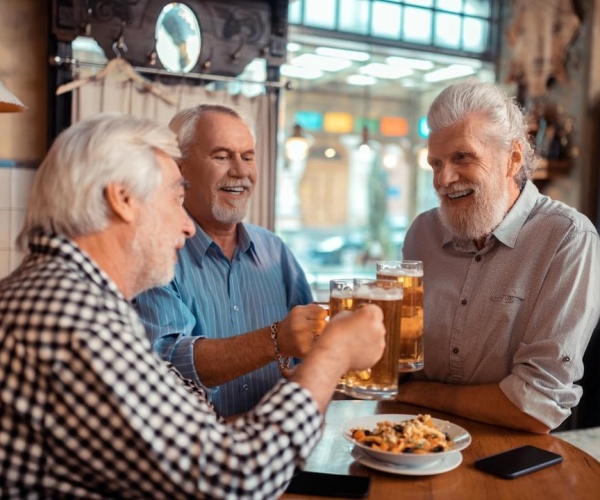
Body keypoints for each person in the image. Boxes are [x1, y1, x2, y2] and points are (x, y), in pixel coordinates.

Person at [0, 113, 386, 498]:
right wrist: (333, 354)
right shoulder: (71, 316)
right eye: (175, 198)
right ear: (122, 199)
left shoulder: (68, 297)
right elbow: (234, 479)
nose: (186, 226)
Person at [398, 80, 600, 434]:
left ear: (513, 159)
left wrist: (419, 394)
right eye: (435, 163)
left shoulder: (568, 237)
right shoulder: (422, 233)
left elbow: (536, 405)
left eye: (463, 157)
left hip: (511, 457)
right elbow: (404, 361)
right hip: (415, 444)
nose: (443, 179)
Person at [134, 104, 326, 416]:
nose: (240, 171)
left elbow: (311, 353)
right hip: (200, 457)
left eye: (247, 156)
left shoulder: (275, 251)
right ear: (179, 169)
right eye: (222, 156)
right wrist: (275, 340)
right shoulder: (156, 253)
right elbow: (167, 360)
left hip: (285, 453)